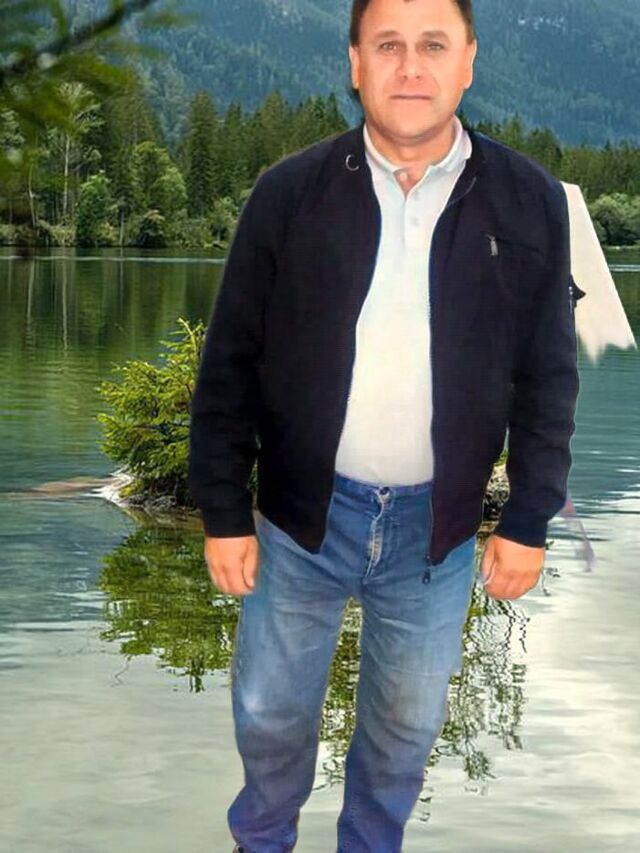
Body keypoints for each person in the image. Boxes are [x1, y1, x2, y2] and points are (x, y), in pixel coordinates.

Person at [187, 0, 581, 849]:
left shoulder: (529, 200)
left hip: (436, 529)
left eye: (433, 45)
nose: (411, 66)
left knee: (406, 726)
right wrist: (222, 509)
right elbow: (230, 362)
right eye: (388, 45)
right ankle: (262, 840)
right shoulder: (289, 193)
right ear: (355, 63)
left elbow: (549, 376)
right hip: (299, 516)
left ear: (468, 61)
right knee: (269, 711)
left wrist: (528, 518)